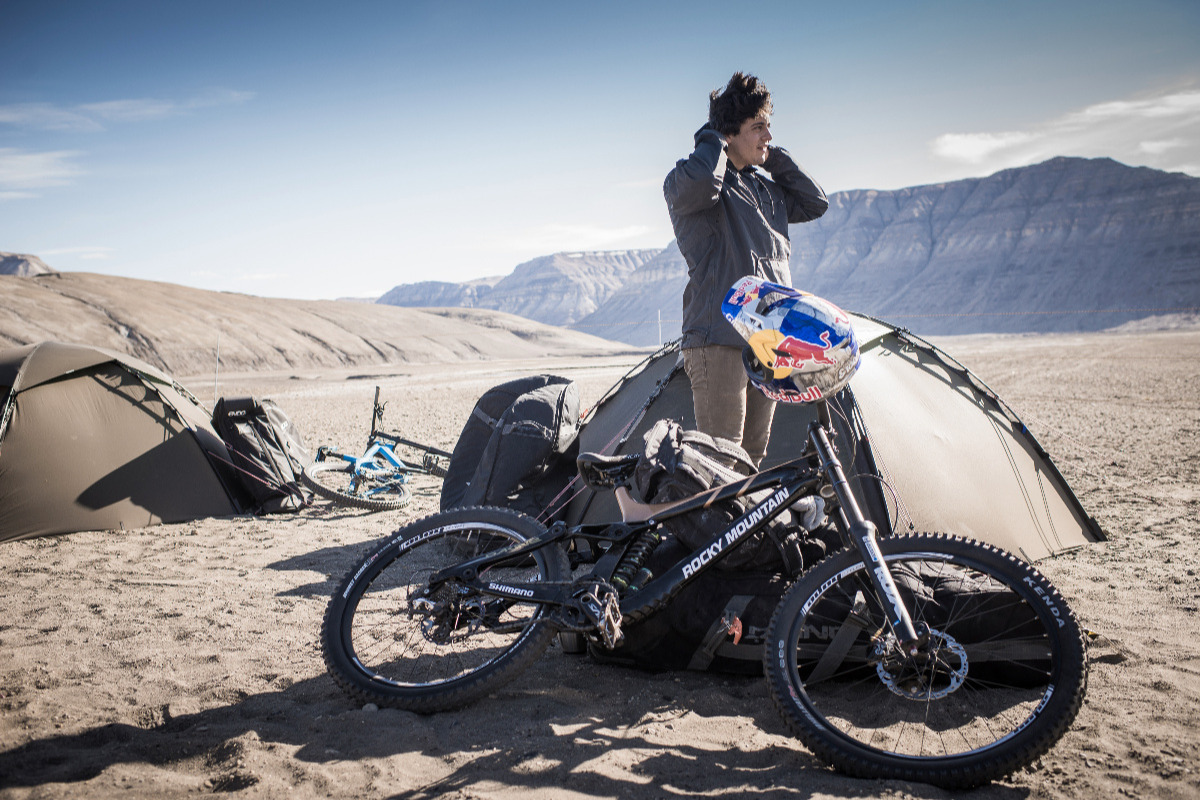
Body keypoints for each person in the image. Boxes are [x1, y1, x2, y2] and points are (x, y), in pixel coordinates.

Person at [663, 71, 828, 465]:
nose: (768, 136)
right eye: (758, 127)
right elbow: (704, 181)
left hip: (766, 341)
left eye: (768, 126)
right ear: (729, 133)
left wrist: (773, 157)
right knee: (721, 461)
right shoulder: (691, 181)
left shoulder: (765, 190)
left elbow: (815, 202)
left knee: (752, 458)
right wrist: (712, 139)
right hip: (718, 340)